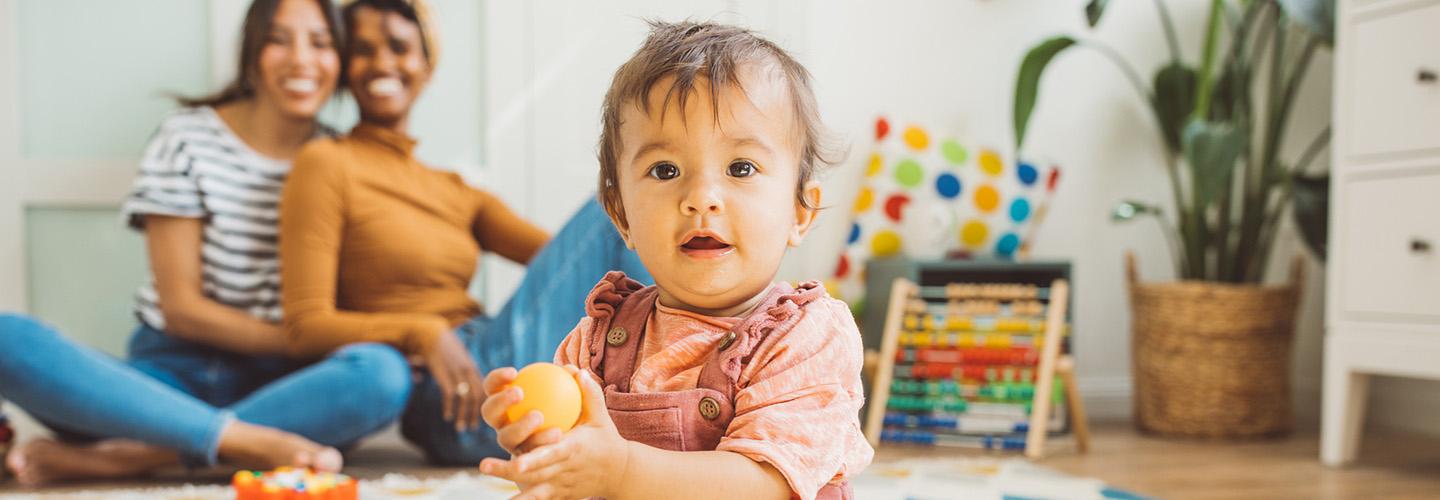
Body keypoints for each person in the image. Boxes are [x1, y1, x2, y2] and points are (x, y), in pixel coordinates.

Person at [0, 0, 411, 486]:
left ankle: (134, 457)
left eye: (321, 43)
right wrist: (303, 336)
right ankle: (240, 443)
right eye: (279, 39)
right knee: (9, 338)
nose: (302, 59)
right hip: (166, 382)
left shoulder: (345, 159)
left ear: (339, 62)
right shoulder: (187, 139)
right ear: (253, 52)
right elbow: (181, 309)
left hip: (288, 388)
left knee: (383, 374)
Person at [477, 21, 873, 500]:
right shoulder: (597, 342)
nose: (701, 197)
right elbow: (585, 459)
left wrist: (620, 471)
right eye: (665, 170)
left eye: (740, 168)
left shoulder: (808, 338)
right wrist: (545, 443)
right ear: (621, 214)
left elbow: (766, 482)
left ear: (799, 210)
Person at [279, 0, 650, 466]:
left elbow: (574, 259)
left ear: (427, 66)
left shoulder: (454, 190)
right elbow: (304, 326)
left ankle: (669, 383)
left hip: (493, 353)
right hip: (448, 390)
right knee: (613, 208)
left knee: (627, 222)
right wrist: (423, 332)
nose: (382, 63)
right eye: (362, 49)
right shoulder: (326, 163)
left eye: (398, 47)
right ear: (343, 67)